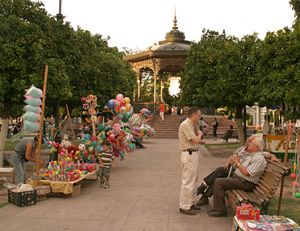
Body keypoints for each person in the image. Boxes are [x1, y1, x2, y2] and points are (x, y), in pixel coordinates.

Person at [195, 135, 278, 217]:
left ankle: (220, 209)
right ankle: (207, 196)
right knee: (220, 173)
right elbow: (235, 159)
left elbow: (247, 173)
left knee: (219, 182)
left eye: (251, 142)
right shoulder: (251, 153)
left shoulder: (259, 158)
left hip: (246, 182)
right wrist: (232, 161)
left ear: (256, 147)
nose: (248, 143)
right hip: (239, 177)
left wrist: (237, 163)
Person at [178, 107, 205, 215]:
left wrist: (199, 138)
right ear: (193, 115)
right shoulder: (186, 124)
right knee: (188, 181)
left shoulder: (192, 125)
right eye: (198, 115)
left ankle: (191, 203)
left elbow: (196, 141)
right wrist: (199, 134)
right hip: (188, 154)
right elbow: (195, 139)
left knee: (194, 180)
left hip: (192, 153)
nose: (199, 117)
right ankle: (184, 206)